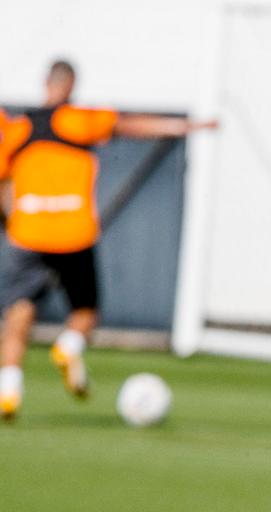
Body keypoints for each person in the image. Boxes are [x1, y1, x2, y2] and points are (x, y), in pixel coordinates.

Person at [0, 59, 217, 420]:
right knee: (85, 311)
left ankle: (9, 388)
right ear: (69, 85)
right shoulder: (77, 119)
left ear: (45, 83)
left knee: (20, 308)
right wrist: (186, 126)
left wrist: (10, 220)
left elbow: (3, 183)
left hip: (29, 232)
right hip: (73, 232)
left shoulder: (17, 130)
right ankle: (69, 346)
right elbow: (130, 125)